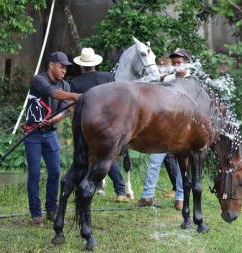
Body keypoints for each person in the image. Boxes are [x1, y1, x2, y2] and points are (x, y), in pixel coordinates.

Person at [24, 51, 81, 227]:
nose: (64, 70)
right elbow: (53, 93)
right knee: (34, 174)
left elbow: (67, 109)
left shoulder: (66, 84)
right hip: (32, 134)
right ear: (51, 65)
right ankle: (35, 215)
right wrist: (77, 96)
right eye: (61, 66)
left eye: (66, 67)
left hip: (50, 133)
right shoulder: (38, 80)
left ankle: (51, 209)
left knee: (55, 173)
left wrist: (56, 119)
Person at [70, 47, 129, 203]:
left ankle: (79, 188)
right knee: (108, 157)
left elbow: (75, 108)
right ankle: (120, 191)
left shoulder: (75, 83)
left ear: (82, 65)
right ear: (95, 63)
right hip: (109, 124)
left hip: (87, 124)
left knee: (82, 155)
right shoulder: (107, 77)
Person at [135, 48, 190, 210]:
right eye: (174, 63)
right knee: (154, 161)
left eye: (179, 62)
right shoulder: (167, 79)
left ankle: (180, 198)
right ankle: (147, 196)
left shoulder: (192, 81)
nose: (176, 65)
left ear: (186, 63)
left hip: (183, 130)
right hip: (164, 129)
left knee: (183, 165)